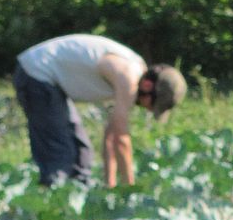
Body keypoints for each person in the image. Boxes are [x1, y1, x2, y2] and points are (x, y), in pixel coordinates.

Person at [13, 33, 186, 189]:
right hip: (36, 74)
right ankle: (49, 208)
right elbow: (121, 139)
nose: (148, 109)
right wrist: (129, 188)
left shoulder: (132, 72)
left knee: (82, 155)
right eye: (153, 104)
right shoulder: (128, 78)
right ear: (148, 86)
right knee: (60, 156)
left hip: (52, 83)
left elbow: (110, 136)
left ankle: (74, 209)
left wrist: (109, 184)